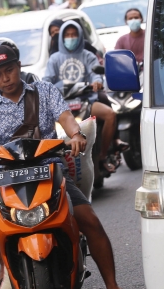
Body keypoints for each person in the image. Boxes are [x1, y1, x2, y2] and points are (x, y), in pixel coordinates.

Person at [0, 45, 141, 289]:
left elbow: (66, 117)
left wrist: (76, 134)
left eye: (9, 70)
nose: (5, 78)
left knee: (90, 220)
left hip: (48, 170)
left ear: (19, 66)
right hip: (6, 177)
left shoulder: (44, 91)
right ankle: (4, 262)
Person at [44, 20, 119, 174]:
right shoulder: (54, 59)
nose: (70, 38)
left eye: (74, 34)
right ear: (61, 37)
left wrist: (97, 82)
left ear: (79, 36)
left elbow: (95, 74)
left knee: (110, 115)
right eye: (67, 35)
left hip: (87, 100)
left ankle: (103, 155)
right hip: (63, 105)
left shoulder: (88, 55)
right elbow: (47, 80)